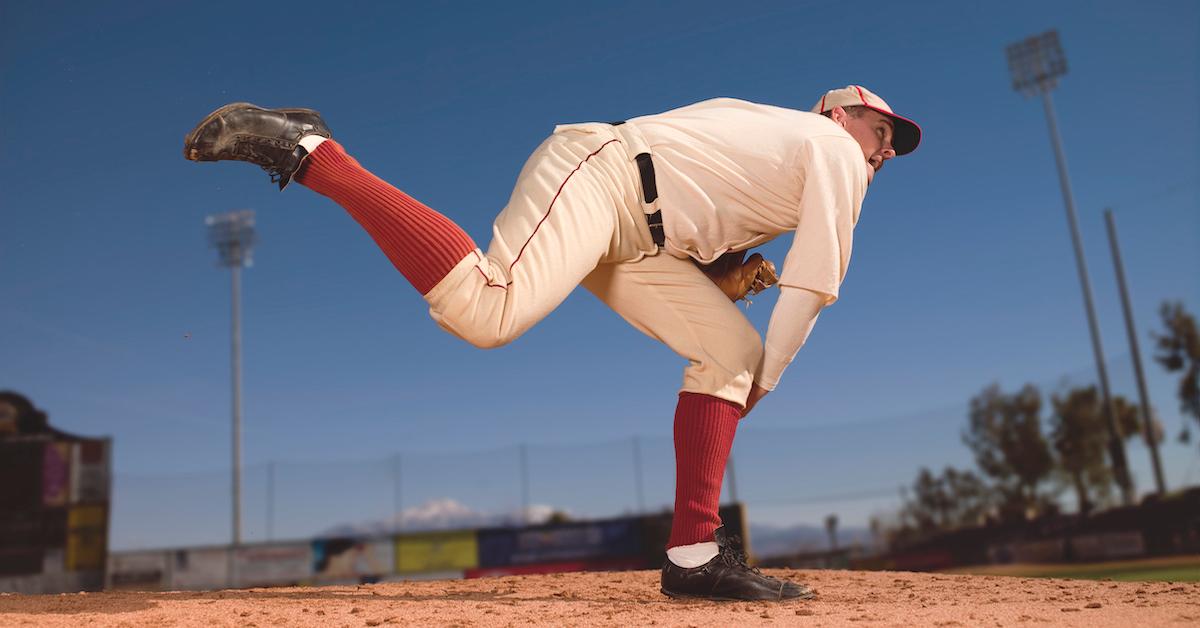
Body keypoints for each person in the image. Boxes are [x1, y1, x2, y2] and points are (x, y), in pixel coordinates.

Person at [183, 85, 921, 601]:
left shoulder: (785, 153)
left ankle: (695, 555)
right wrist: (770, 384)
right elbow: (813, 290)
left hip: (639, 225)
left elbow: (687, 202)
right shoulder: (829, 148)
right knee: (486, 311)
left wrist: (723, 278)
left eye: (890, 143)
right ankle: (314, 151)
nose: (884, 152)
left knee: (729, 351)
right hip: (602, 179)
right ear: (839, 112)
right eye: (881, 132)